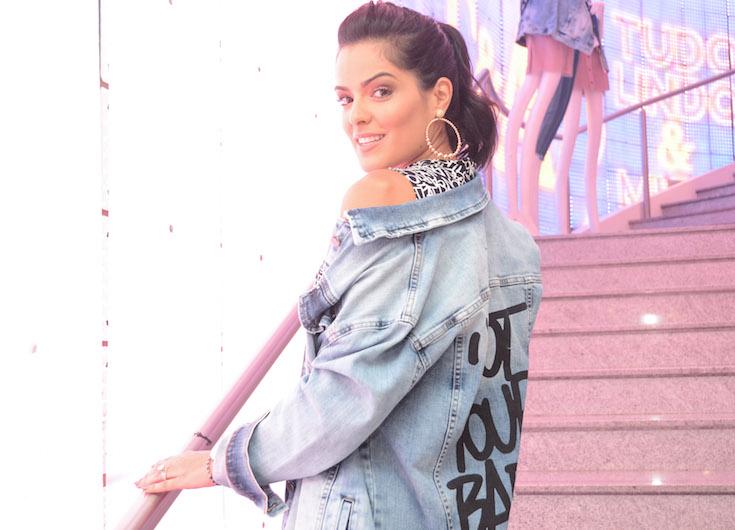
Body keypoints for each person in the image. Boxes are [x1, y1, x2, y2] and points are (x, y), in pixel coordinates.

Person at [135, 2, 543, 528]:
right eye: (346, 98)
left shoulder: (386, 205)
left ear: (439, 94)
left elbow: (343, 398)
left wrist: (222, 462)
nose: (356, 117)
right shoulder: (514, 246)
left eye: (381, 91)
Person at [505, 0, 596, 234]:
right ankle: (521, 211)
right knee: (537, 94)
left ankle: (521, 210)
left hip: (560, 24)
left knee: (533, 93)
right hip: (554, 21)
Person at [555, 0, 609, 232]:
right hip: (572, 59)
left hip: (594, 59)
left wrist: (598, 13)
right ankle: (562, 228)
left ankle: (595, 225)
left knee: (595, 144)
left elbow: (599, 36)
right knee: (569, 139)